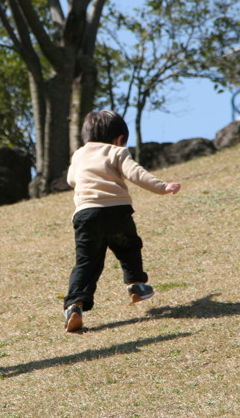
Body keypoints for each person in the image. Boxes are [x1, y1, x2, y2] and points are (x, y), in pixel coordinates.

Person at [63, 110, 181, 332]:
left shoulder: (78, 155)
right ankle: (136, 285)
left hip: (87, 216)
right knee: (129, 248)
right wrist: (162, 186)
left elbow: (71, 179)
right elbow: (135, 172)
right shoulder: (117, 152)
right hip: (117, 212)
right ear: (119, 139)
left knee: (87, 263)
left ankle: (74, 305)